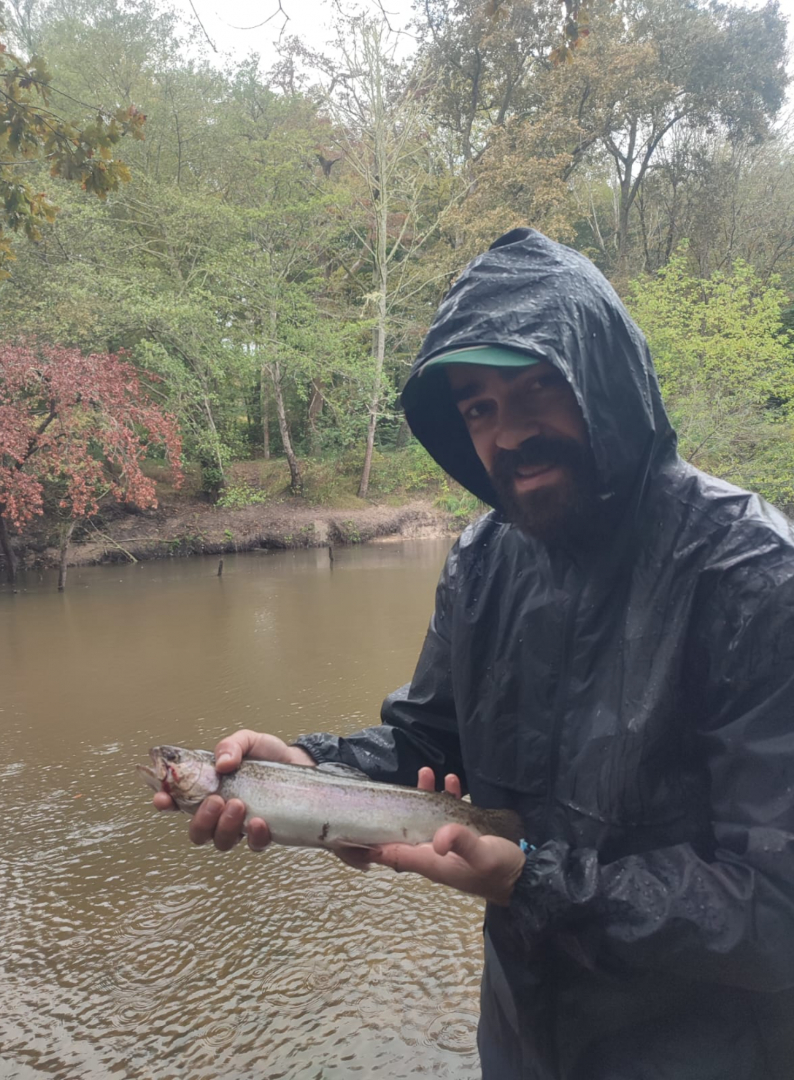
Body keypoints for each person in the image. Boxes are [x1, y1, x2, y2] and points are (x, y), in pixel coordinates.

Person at [154, 229, 794, 1079]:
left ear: (602, 380)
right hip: (523, 1040)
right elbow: (430, 743)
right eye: (479, 409)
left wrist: (531, 879)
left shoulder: (753, 574)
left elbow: (775, 905)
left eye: (537, 388)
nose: (510, 434)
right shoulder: (483, 560)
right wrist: (310, 767)